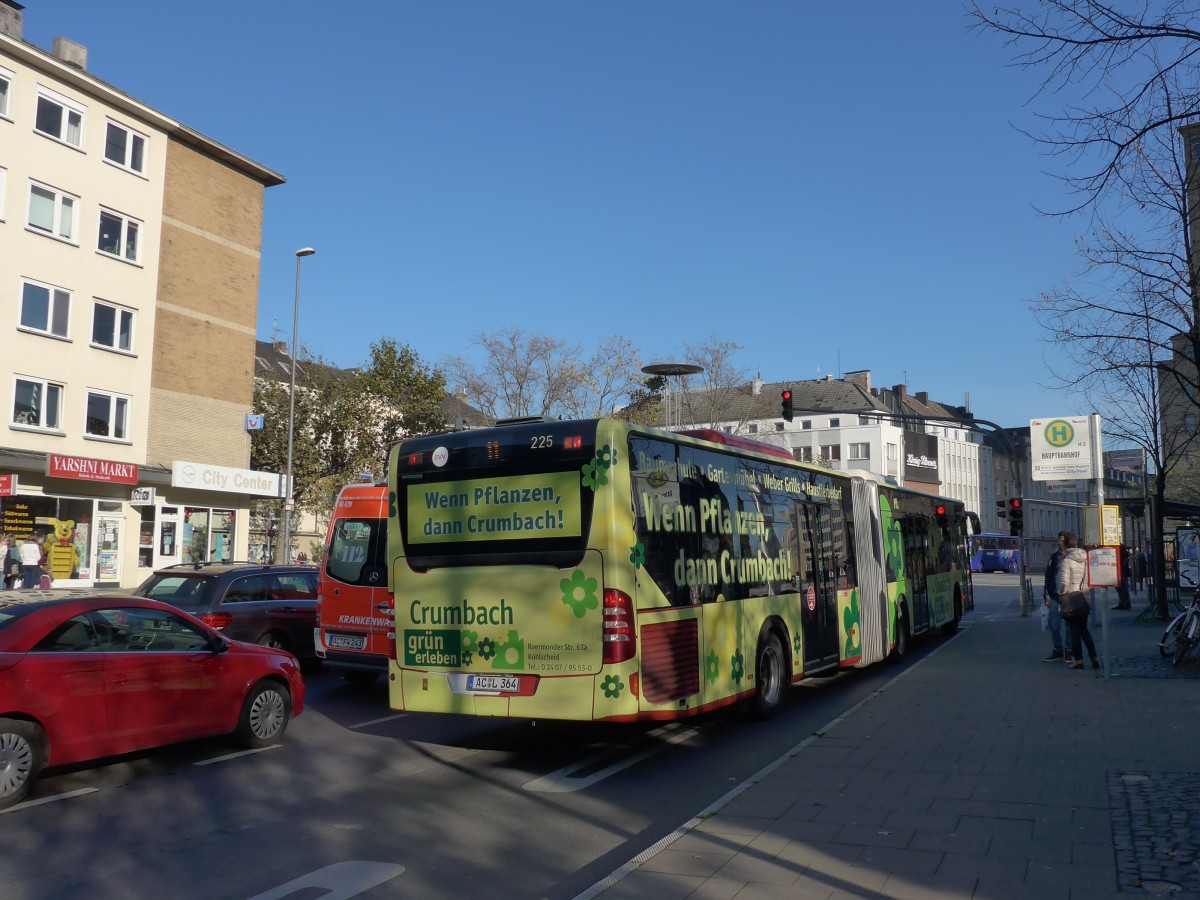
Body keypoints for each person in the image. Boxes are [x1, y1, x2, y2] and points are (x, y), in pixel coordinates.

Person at [1058, 531, 1099, 670]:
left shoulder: (1066, 561)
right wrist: (1083, 593)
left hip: (1070, 598)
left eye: (1061, 541)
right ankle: (1094, 656)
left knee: (1074, 631)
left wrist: (1060, 594)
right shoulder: (1085, 557)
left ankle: (1079, 660)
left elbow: (1064, 582)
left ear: (1065, 544)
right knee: (1084, 630)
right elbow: (1088, 579)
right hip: (1082, 598)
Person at [1043, 532, 1067, 661]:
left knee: (1070, 626)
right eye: (1059, 540)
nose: (1060, 543)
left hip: (1070, 596)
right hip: (1055, 596)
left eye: (1063, 540)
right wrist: (1048, 593)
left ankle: (1069, 650)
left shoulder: (1073, 557)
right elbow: (1048, 575)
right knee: (1054, 625)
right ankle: (1058, 649)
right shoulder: (1054, 557)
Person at [1113, 544, 1132, 609]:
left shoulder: (1119, 547)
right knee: (1119, 588)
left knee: (1122, 587)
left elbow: (1124, 559)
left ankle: (1125, 603)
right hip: (1119, 570)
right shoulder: (1120, 546)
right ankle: (1122, 602)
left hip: (1121, 570)